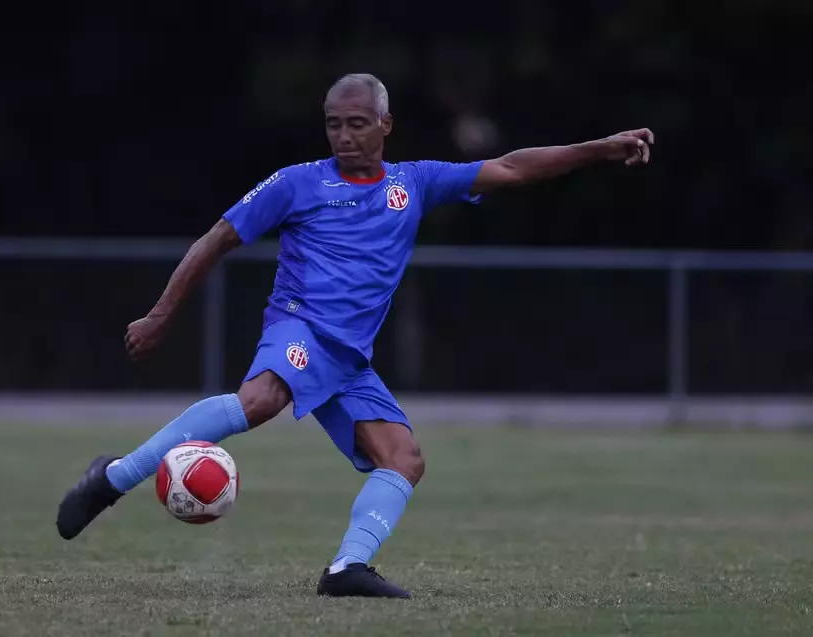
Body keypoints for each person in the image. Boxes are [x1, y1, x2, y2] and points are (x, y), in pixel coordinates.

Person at [56, 73, 654, 599]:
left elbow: (514, 166)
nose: (344, 136)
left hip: (348, 358)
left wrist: (599, 148)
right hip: (300, 326)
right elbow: (217, 237)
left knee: (404, 459)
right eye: (333, 124)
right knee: (261, 400)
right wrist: (162, 314)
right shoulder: (296, 183)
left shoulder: (414, 182)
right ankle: (114, 479)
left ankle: (348, 567)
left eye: (357, 124)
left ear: (385, 125)